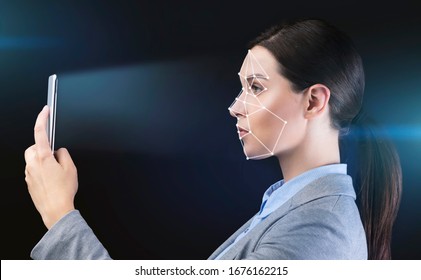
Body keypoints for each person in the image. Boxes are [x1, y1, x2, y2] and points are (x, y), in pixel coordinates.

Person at [24, 18, 402, 260]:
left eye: (255, 87)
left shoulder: (319, 230)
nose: (235, 107)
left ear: (314, 100)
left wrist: (60, 214)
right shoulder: (291, 208)